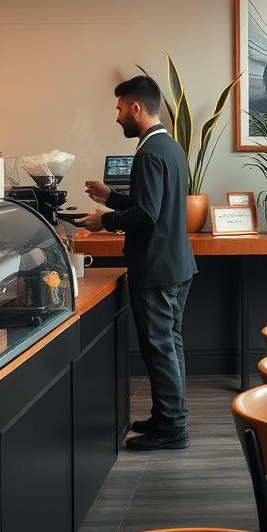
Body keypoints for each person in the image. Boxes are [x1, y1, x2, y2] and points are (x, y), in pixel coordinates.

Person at [80, 76, 197, 451]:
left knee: (159, 347)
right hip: (177, 265)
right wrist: (111, 197)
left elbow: (146, 214)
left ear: (135, 108)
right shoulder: (170, 147)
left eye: (118, 109)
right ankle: (168, 417)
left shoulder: (148, 153)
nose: (116, 118)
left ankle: (173, 430)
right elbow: (155, 207)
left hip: (156, 268)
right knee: (170, 345)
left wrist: (104, 221)